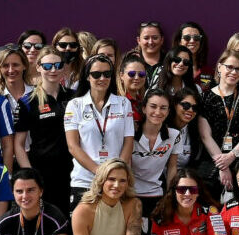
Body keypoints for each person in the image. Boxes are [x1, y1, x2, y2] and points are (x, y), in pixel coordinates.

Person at [63, 55, 136, 207]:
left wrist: (115, 174)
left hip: (115, 183)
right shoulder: (75, 105)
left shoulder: (123, 103)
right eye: (96, 74)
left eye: (107, 74)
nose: (102, 78)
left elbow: (128, 142)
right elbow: (73, 146)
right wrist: (100, 172)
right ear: (87, 77)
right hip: (84, 180)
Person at [16, 47, 80, 210]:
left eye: (58, 65)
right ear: (38, 67)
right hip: (42, 172)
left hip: (73, 170)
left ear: (64, 67)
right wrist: (30, 174)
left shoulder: (75, 97)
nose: (53, 70)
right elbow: (19, 144)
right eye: (47, 66)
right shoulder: (27, 101)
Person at [197, 51, 239, 193]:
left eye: (238, 69)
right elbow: (205, 136)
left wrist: (232, 156)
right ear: (219, 67)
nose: (233, 72)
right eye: (229, 67)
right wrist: (223, 165)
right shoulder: (205, 97)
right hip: (212, 161)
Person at [129, 91, 188, 213]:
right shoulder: (130, 132)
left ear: (168, 111)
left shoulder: (174, 135)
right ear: (144, 108)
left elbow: (172, 168)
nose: (158, 112)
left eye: (163, 108)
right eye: (153, 106)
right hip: (130, 193)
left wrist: (170, 196)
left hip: (156, 193)